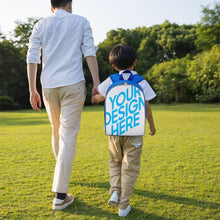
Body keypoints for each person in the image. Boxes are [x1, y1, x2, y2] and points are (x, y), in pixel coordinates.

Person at [26, 0, 100, 211]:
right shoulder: (81, 21)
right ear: (70, 4)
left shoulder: (41, 24)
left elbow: (32, 56)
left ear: (52, 7)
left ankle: (62, 175)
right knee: (66, 135)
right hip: (73, 84)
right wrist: (96, 83)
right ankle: (60, 195)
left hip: (48, 86)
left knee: (57, 132)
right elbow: (89, 53)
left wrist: (32, 89)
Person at [92, 44, 156, 217]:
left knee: (115, 162)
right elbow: (147, 105)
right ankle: (123, 205)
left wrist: (95, 98)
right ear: (135, 62)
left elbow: (100, 96)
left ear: (114, 65)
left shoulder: (112, 80)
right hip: (134, 132)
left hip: (114, 132)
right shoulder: (141, 81)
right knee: (130, 167)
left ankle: (115, 190)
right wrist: (151, 125)